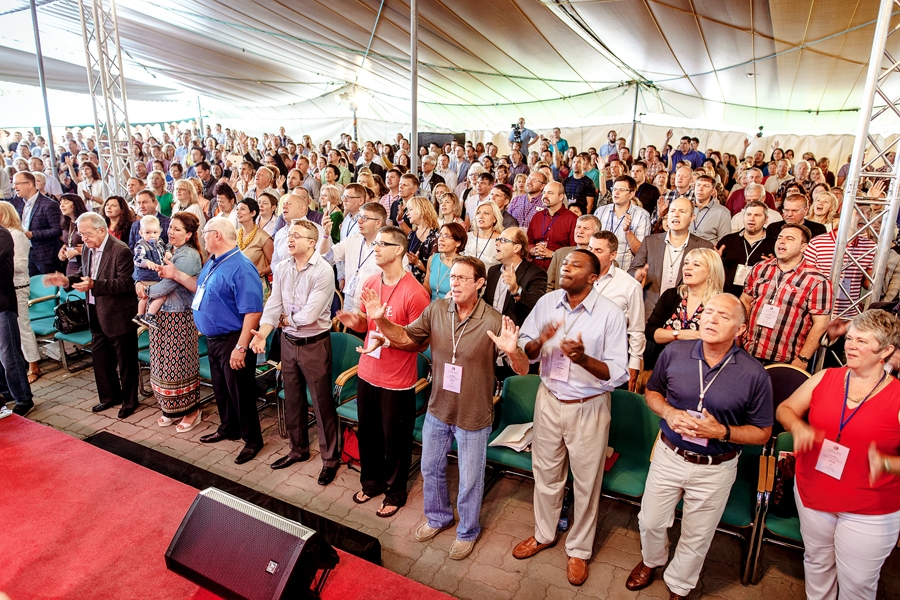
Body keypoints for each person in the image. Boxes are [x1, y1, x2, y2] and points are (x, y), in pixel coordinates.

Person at [496, 249, 628, 587]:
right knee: (546, 472)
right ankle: (544, 534)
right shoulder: (548, 302)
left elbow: (618, 373)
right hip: (549, 398)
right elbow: (525, 344)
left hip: (588, 404)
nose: (566, 267)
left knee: (585, 481)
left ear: (594, 277)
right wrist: (539, 342)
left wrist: (582, 359)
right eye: (565, 263)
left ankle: (580, 550)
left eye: (576, 265)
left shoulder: (609, 314)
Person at [627, 293, 773, 600]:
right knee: (650, 520)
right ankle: (653, 560)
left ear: (741, 330)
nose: (712, 319)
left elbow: (762, 433)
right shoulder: (675, 352)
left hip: (715, 467)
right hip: (669, 453)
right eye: (708, 312)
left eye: (723, 315)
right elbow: (652, 392)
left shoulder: (753, 374)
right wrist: (668, 412)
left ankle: (680, 583)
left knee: (697, 534)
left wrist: (723, 431)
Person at [369, 256, 505, 561]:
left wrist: (513, 351)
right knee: (430, 468)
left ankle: (467, 531)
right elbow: (406, 337)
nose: (454, 283)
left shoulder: (493, 319)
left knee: (470, 479)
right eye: (452, 277)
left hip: (473, 413)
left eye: (462, 279)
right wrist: (382, 320)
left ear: (480, 284)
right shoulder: (437, 310)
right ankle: (438, 517)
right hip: (439, 408)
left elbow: (521, 369)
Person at [776, 309, 900, 600]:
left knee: (856, 584)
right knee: (817, 564)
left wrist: (887, 462)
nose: (851, 345)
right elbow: (785, 409)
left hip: (869, 508)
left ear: (886, 350)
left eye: (862, 341)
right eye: (851, 338)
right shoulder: (826, 377)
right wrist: (797, 426)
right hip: (813, 493)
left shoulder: (896, 396)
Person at [334, 225, 430, 516]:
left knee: (395, 439)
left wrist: (382, 325)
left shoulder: (415, 293)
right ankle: (372, 481)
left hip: (397, 381)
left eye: (381, 243)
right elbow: (367, 324)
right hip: (367, 372)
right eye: (374, 243)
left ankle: (395, 491)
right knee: (370, 434)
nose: (374, 247)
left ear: (398, 250)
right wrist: (357, 322)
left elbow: (417, 342)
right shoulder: (372, 281)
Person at [157, 217, 264, 464]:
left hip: (233, 339)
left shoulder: (241, 267)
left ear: (217, 236)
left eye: (206, 233)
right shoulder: (214, 262)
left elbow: (253, 311)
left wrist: (241, 346)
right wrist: (176, 274)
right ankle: (229, 428)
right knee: (222, 390)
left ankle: (253, 439)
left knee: (240, 392)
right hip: (214, 339)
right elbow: (199, 287)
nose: (202, 237)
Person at [249, 219, 341, 483]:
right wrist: (263, 334)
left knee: (322, 403)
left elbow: (310, 314)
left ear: (311, 242)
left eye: (296, 236)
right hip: (288, 342)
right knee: (293, 399)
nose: (290, 239)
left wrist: (284, 321)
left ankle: (330, 460)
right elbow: (273, 304)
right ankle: (298, 450)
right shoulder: (281, 267)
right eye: (289, 235)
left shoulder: (323, 270)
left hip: (314, 343)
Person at [43, 212, 140, 419]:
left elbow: (126, 284)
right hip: (94, 309)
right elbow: (85, 275)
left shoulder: (120, 250)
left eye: (86, 234)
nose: (83, 239)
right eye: (80, 234)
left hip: (118, 312)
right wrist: (67, 281)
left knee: (126, 361)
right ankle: (108, 397)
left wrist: (94, 285)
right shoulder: (87, 248)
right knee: (101, 358)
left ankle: (130, 401)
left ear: (101, 230)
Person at [139, 212, 204, 432]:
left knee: (179, 365)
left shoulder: (189, 255)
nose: (171, 232)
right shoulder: (170, 251)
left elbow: (167, 287)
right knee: (161, 364)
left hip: (179, 316)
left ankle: (191, 411)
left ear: (188, 235)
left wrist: (145, 290)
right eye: (171, 228)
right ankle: (170, 409)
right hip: (163, 314)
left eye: (177, 229)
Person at [741, 223, 832, 367]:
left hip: (785, 360)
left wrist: (803, 358)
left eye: (790, 239)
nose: (782, 241)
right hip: (747, 353)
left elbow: (821, 324)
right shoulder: (760, 268)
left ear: (804, 247)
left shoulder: (817, 280)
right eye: (780, 238)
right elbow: (745, 302)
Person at [629, 197, 715, 319]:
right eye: (672, 211)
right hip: (649, 311)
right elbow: (632, 271)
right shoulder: (651, 242)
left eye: (682, 211)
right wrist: (637, 276)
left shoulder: (704, 246)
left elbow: (711, 282)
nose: (676, 215)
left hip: (685, 313)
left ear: (692, 217)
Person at [645, 248, 724, 370]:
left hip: (700, 370)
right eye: (686, 263)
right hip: (664, 365)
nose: (687, 267)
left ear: (711, 272)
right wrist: (679, 334)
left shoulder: (721, 303)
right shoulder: (671, 295)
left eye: (696, 264)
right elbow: (651, 332)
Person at [588, 231, 646, 391]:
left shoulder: (629, 285)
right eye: (590, 248)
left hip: (611, 360)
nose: (591, 254)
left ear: (613, 254)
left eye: (598, 251)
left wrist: (634, 365)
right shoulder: (578, 278)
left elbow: (636, 330)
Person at [0, 202, 41, 387]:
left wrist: (4, 263)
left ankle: (34, 365)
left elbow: (21, 265)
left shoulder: (15, 234)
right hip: (9, 285)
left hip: (17, 284)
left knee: (22, 326)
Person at [482, 227, 548, 331]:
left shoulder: (536, 273)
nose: (497, 243)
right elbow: (485, 302)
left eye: (503, 240)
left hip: (515, 334)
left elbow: (536, 306)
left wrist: (516, 290)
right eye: (497, 239)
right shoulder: (493, 271)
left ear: (517, 248)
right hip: (488, 329)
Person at [0, 219, 34, 416]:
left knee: (9, 353)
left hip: (3, 303)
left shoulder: (3, 234)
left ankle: (23, 398)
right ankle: (6, 392)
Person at [716, 200, 776, 297]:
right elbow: (714, 269)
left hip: (757, 297)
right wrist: (716, 260)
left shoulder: (774, 244)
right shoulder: (728, 240)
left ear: (766, 219)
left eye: (757, 215)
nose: (751, 218)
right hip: (727, 295)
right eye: (748, 214)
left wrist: (775, 266)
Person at [594, 175, 652, 272]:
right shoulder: (600, 212)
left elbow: (640, 252)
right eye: (614, 189)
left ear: (631, 194)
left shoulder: (642, 216)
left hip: (625, 271)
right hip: (599, 269)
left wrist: (628, 231)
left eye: (621, 189)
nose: (616, 192)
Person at [11, 171, 62, 276]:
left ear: (29, 184)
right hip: (25, 254)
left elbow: (56, 229)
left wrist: (33, 234)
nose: (14, 187)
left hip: (45, 256)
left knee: (49, 288)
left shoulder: (49, 204)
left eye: (17, 183)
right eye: (13, 184)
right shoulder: (17, 202)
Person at [527, 181, 577, 271]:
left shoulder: (572, 219)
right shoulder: (537, 216)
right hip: (535, 268)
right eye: (544, 192)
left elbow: (575, 250)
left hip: (559, 269)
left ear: (561, 197)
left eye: (550, 193)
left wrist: (553, 254)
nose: (545, 196)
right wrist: (532, 250)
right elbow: (527, 242)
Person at [132, 215, 170, 329]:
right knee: (161, 296)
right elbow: (137, 259)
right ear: (141, 233)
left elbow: (166, 248)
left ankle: (139, 315)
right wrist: (147, 263)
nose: (152, 235)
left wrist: (167, 253)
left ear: (159, 232)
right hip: (148, 277)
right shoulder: (141, 245)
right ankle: (149, 315)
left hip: (156, 276)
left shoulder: (160, 242)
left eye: (155, 232)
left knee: (145, 297)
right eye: (147, 232)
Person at [545, 215, 600, 292]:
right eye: (578, 227)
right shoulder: (560, 254)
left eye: (586, 228)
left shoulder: (600, 259)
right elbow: (548, 286)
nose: (580, 231)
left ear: (596, 233)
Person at [235, 198, 274, 299]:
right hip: (236, 284)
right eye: (237, 209)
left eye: (242, 209)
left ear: (253, 213)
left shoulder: (263, 237)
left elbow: (274, 264)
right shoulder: (234, 234)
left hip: (256, 284)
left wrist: (261, 272)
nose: (238, 212)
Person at [424, 222, 466, 302]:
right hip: (431, 308)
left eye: (446, 236)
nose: (440, 239)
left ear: (458, 243)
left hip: (452, 310)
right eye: (440, 235)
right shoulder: (432, 259)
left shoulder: (464, 265)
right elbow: (427, 287)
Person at [403, 196, 439, 284]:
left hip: (426, 285)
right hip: (409, 281)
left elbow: (435, 270)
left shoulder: (435, 235)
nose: (407, 214)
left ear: (421, 210)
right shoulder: (412, 234)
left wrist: (417, 263)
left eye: (410, 209)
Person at [689, 175, 732, 244]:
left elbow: (725, 240)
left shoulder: (722, 212)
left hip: (707, 252)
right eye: (698, 185)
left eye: (705, 186)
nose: (700, 189)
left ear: (712, 191)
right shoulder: (686, 207)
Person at [464, 200, 503, 269]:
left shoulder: (502, 240)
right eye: (478, 213)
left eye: (486, 213)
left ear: (495, 218)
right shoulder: (466, 236)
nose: (481, 216)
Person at [58, 194, 88, 277]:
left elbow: (96, 244)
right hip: (71, 264)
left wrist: (76, 252)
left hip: (85, 264)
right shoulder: (66, 222)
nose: (62, 206)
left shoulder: (86, 221)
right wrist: (62, 250)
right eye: (60, 203)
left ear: (76, 204)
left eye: (66, 203)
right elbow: (69, 241)